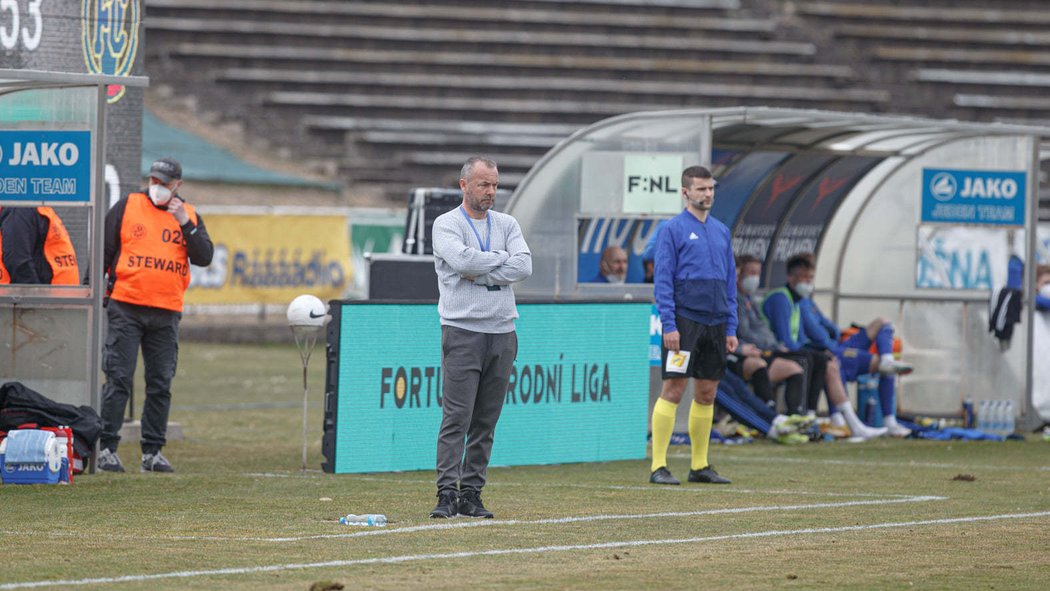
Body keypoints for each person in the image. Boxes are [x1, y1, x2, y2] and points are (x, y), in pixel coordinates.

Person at [429, 156, 532, 518]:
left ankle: (472, 492)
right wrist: (498, 263)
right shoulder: (446, 224)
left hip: (503, 332)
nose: (491, 192)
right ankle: (446, 492)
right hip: (462, 330)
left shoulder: (507, 223)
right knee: (457, 417)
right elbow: (462, 262)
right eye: (483, 184)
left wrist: (485, 267)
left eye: (494, 185)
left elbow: (524, 266)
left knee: (486, 421)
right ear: (464, 185)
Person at [96, 157, 214, 473]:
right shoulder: (128, 206)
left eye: (164, 182)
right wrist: (93, 289)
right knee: (119, 378)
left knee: (160, 382)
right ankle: (106, 447)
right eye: (154, 180)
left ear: (178, 185)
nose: (157, 187)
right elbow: (104, 251)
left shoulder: (188, 215)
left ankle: (152, 451)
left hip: (166, 311)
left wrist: (185, 224)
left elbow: (204, 256)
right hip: (127, 306)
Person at [649, 165, 735, 486]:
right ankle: (658, 465)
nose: (707, 194)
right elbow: (663, 281)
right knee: (673, 388)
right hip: (684, 323)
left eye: (710, 188)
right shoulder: (672, 230)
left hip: (716, 323)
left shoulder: (722, 231)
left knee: (708, 391)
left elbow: (730, 284)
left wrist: (731, 327)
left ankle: (700, 465)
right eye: (701, 189)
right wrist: (669, 324)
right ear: (685, 193)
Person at [764, 253, 910, 438]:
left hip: (834, 345)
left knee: (883, 323)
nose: (807, 282)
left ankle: (886, 369)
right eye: (803, 278)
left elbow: (830, 328)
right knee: (830, 362)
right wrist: (827, 342)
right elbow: (810, 336)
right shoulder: (784, 299)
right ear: (790, 277)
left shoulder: (802, 300)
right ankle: (844, 419)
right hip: (829, 350)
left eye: (810, 278)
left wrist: (833, 336)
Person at [732, 254, 810, 415]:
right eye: (750, 273)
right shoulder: (733, 299)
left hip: (755, 349)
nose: (755, 278)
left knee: (797, 366)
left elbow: (762, 328)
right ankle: (769, 414)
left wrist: (773, 345)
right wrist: (740, 349)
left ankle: (797, 415)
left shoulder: (749, 299)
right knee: (760, 364)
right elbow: (742, 332)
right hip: (735, 354)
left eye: (758, 273)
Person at [0, 206, 80, 285]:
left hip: (57, 293)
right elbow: (17, 259)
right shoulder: (21, 209)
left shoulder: (36, 208)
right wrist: (34, 294)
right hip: (45, 293)